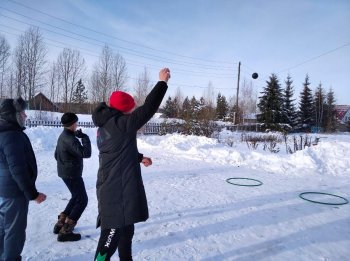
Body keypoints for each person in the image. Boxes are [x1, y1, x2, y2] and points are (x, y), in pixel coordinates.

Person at [92, 68, 171, 261]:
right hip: (115, 192)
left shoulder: (108, 124)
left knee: (127, 232)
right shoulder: (121, 124)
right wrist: (162, 83)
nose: (133, 112)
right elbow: (148, 108)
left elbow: (117, 150)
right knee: (109, 239)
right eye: (131, 109)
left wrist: (138, 157)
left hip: (116, 187)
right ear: (126, 109)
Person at [0, 97, 46, 261]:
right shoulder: (11, 136)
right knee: (14, 231)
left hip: (5, 190)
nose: (25, 116)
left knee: (4, 227)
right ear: (13, 115)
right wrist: (32, 194)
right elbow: (18, 169)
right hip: (14, 192)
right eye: (22, 113)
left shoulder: (5, 132)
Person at [53, 112, 91, 242]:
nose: (77, 124)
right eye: (76, 122)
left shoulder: (63, 135)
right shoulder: (70, 139)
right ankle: (65, 232)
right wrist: (84, 137)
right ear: (72, 124)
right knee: (82, 200)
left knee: (76, 197)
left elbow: (56, 155)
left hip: (65, 172)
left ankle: (60, 224)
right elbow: (86, 153)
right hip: (71, 174)